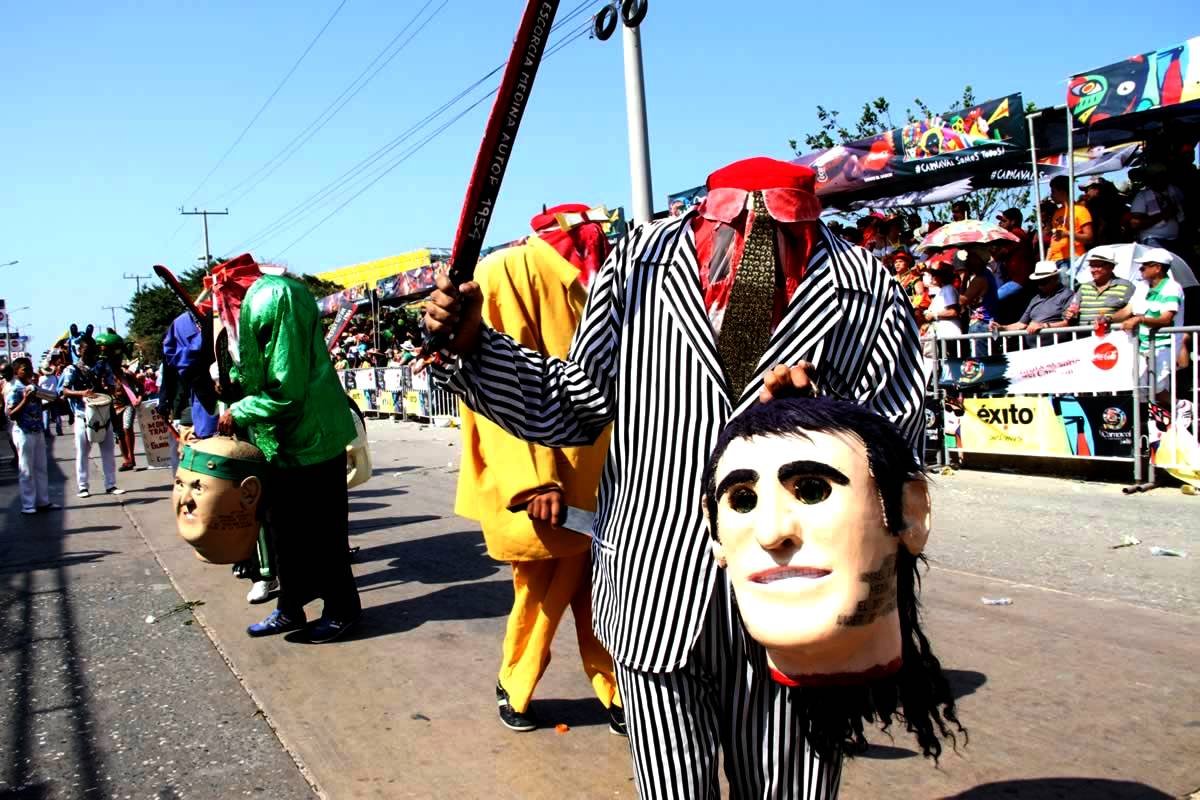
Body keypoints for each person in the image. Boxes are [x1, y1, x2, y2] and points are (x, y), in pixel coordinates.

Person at [425, 157, 926, 798]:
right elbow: (572, 405)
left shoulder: (862, 285)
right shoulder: (639, 264)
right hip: (654, 589)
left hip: (795, 597)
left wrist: (826, 417)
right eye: (738, 228)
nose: (755, 252)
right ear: (705, 212)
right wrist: (475, 347)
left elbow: (903, 435)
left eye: (778, 232)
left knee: (787, 788)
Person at [701, 396, 961, 761]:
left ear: (911, 513)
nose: (771, 533)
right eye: (743, 500)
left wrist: (826, 406)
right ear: (714, 528)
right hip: (654, 630)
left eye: (812, 490)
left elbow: (899, 413)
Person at [456, 204, 624, 735]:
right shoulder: (507, 271)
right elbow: (498, 383)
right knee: (539, 594)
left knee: (606, 593)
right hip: (540, 480)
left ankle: (620, 693)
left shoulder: (606, 276)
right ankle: (517, 683)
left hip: (604, 475)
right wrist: (533, 480)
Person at [219, 269, 362, 644]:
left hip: (312, 439)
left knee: (324, 534)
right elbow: (260, 366)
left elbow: (287, 388)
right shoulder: (253, 307)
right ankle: (291, 607)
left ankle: (342, 612)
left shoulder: (277, 298)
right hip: (281, 443)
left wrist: (241, 410)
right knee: (286, 534)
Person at [1103, 248, 1185, 399]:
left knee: (1158, 385)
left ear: (1157, 268)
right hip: (1142, 343)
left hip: (1165, 344)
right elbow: (1128, 310)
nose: (1140, 270)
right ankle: (1154, 419)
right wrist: (1108, 319)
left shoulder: (1172, 288)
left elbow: (1166, 319)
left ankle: (1180, 407)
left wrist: (1139, 319)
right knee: (1139, 385)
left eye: (1144, 266)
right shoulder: (1141, 287)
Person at [59, 337, 125, 498]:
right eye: (85, 350)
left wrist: (111, 389)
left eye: (91, 350)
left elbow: (110, 384)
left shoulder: (102, 365)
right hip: (83, 414)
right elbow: (64, 391)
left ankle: (111, 484)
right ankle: (83, 486)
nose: (88, 353)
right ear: (79, 351)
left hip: (103, 413)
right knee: (82, 451)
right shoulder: (72, 369)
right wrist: (82, 393)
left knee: (108, 451)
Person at [5, 357, 57, 514]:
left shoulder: (31, 386)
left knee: (41, 467)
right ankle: (28, 504)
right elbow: (12, 414)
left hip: (37, 430)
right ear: (16, 371)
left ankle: (43, 501)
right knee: (26, 469)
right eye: (24, 369)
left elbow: (43, 403)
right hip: (23, 431)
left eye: (29, 368)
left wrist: (45, 400)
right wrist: (26, 400)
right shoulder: (15, 389)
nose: (28, 371)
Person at [990, 260, 1074, 341]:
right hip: (1034, 348)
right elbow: (1021, 324)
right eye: (1037, 282)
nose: (1040, 286)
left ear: (1054, 278)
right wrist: (1002, 328)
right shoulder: (1036, 298)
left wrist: (1044, 326)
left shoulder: (1067, 295)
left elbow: (1068, 323)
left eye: (1043, 281)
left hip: (1057, 347)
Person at [1064, 247, 1135, 327]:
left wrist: (1108, 320)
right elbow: (1071, 312)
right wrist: (1070, 314)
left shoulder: (1126, 286)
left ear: (1111, 266)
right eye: (1091, 266)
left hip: (1112, 336)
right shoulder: (1084, 287)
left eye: (1097, 266)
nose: (1093, 270)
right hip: (1083, 337)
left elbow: (1133, 311)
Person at [1129, 163, 1185, 252]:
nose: (1160, 179)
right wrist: (1163, 215)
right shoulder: (1142, 196)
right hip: (1153, 239)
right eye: (1155, 176)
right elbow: (1135, 224)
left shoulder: (1174, 191)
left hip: (1175, 238)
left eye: (1162, 175)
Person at [1045, 175, 1093, 264]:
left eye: (1053, 192)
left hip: (1072, 258)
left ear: (1062, 192)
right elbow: (1054, 239)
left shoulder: (1080, 210)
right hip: (1055, 260)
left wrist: (1067, 234)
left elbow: (1088, 237)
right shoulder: (1057, 213)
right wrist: (1047, 260)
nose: (1051, 195)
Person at [923, 263, 962, 340]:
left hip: (950, 333)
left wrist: (933, 314)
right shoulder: (943, 290)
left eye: (935, 275)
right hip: (943, 333)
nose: (932, 278)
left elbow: (953, 311)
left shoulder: (948, 289)